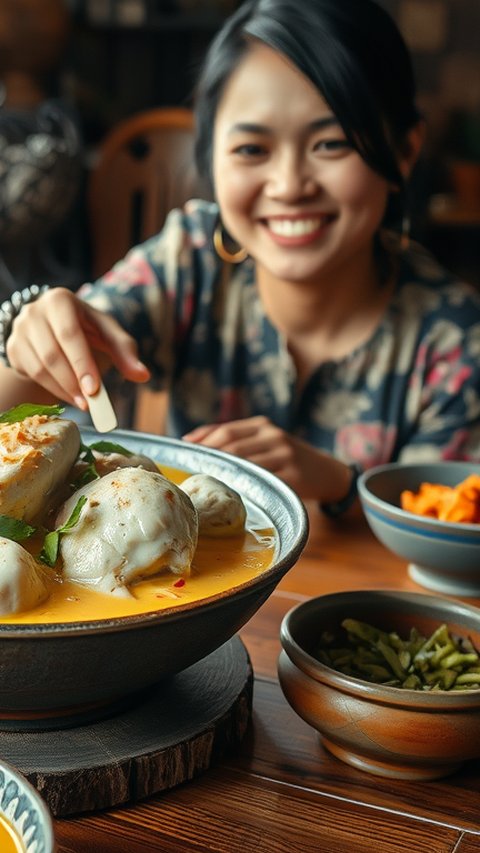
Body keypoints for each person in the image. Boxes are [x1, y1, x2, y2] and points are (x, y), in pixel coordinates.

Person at [1, 0, 480, 515]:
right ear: (210, 158)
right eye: (253, 149)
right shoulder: (189, 258)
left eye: (331, 143)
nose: (290, 185)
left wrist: (341, 484)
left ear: (404, 152)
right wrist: (29, 333)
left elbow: (453, 537)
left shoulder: (457, 343)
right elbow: (30, 393)